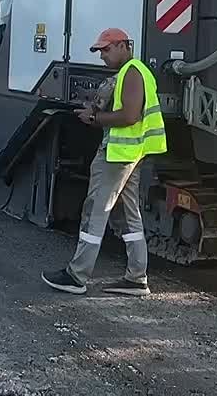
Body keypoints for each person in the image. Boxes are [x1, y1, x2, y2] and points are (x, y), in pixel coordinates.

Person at [41, 28, 165, 297]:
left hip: (119, 156)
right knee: (130, 215)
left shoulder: (132, 72)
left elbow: (130, 115)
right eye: (100, 52)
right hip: (131, 154)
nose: (103, 57)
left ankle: (77, 275)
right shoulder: (136, 71)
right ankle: (136, 277)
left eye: (107, 50)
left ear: (123, 46)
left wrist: (94, 119)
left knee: (95, 211)